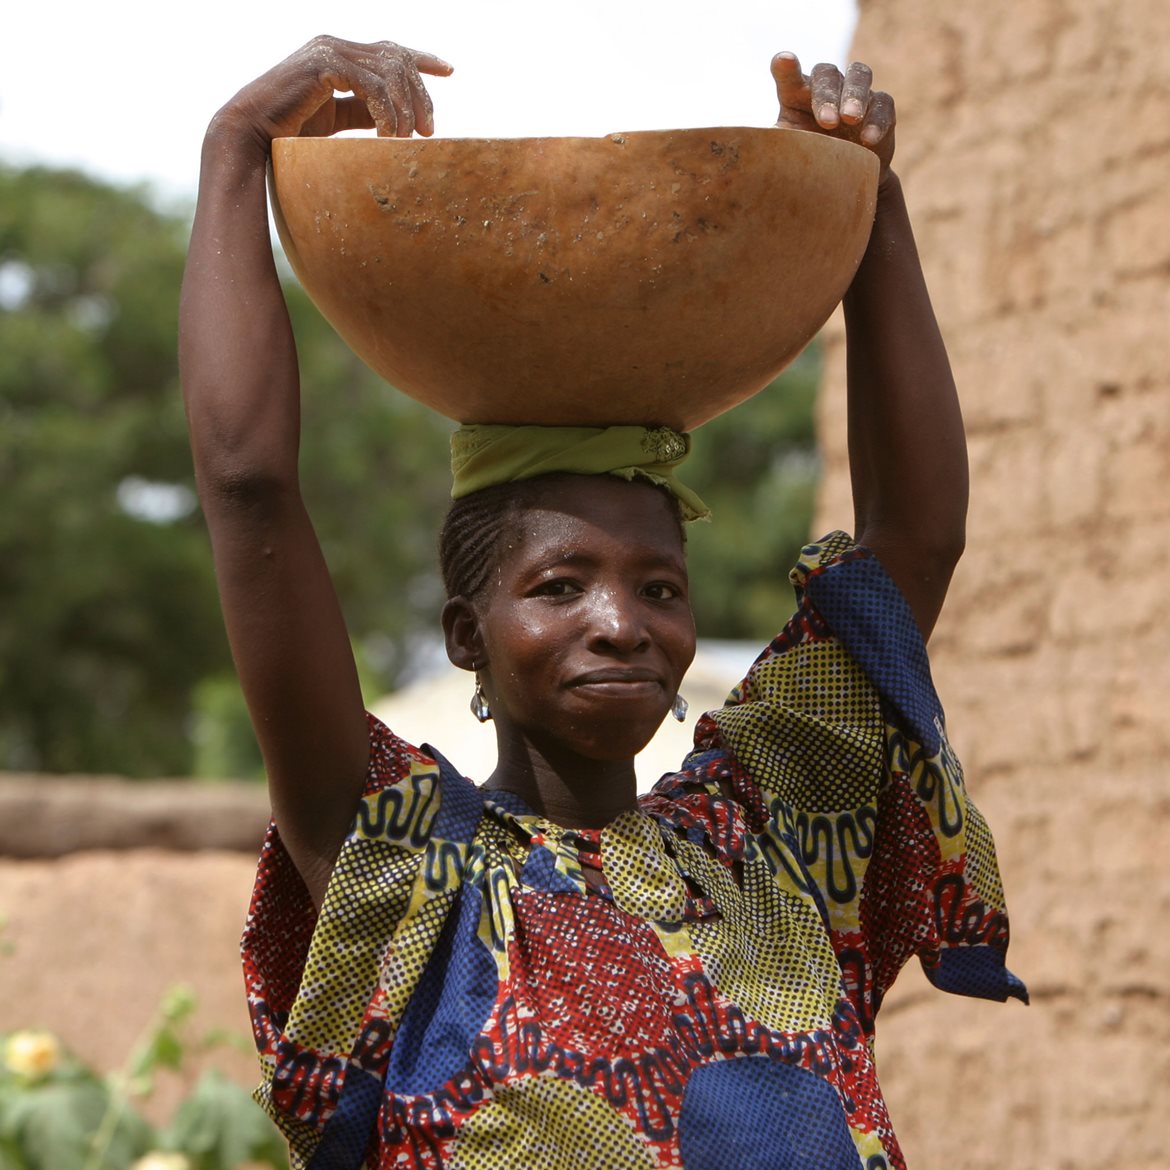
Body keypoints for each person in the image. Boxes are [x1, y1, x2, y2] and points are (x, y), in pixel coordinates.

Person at [179, 34, 1026, 1170]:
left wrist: (865, 209)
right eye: (559, 585)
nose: (622, 621)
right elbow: (248, 490)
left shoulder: (768, 843)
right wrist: (235, 153)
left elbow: (914, 540)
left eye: (659, 586)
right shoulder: (408, 875)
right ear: (467, 636)